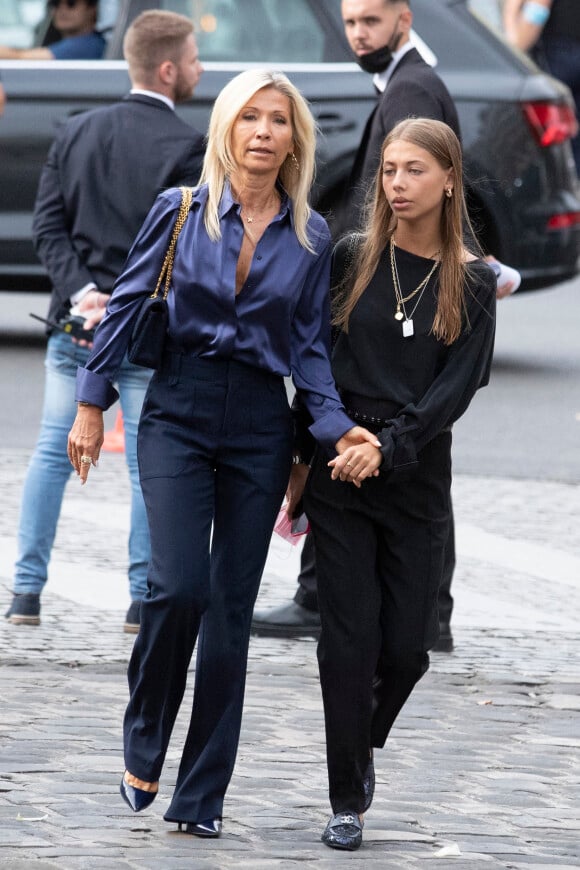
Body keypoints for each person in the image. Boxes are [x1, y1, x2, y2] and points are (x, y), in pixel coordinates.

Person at [66, 68, 379, 838]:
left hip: (258, 425)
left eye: (279, 120)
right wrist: (88, 403)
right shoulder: (180, 213)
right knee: (175, 588)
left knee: (231, 613)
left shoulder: (310, 237)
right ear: (228, 129)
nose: (265, 131)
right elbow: (130, 303)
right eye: (251, 118)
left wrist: (335, 430)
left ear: (294, 139)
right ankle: (145, 739)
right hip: (177, 405)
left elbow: (308, 353)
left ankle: (201, 796)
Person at [252, 0, 519, 649]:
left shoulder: (413, 87)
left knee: (400, 438)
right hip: (382, 275)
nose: (356, 35)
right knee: (401, 446)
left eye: (369, 21)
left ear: (403, 17)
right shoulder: (405, 81)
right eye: (349, 23)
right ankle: (419, 610)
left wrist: (379, 262)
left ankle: (376, 604)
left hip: (390, 278)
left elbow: (406, 184)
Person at [295, 117, 495, 850]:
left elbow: (457, 389)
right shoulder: (351, 257)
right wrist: (313, 448)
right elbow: (313, 357)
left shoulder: (470, 280)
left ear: (448, 179)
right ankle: (346, 795)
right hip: (340, 465)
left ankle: (361, 740)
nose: (398, 184)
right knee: (346, 640)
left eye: (414, 170)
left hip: (412, 473)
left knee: (407, 647)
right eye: (388, 170)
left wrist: (391, 446)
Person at [4, 10, 205, 632]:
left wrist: (85, 291)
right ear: (169, 69)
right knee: (150, 466)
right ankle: (141, 600)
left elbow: (47, 226)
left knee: (50, 452)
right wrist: (122, 300)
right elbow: (176, 246)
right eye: (196, 60)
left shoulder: (76, 131)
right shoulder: (188, 148)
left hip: (76, 323)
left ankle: (26, 593)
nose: (200, 70)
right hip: (145, 329)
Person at [503, 0, 580, 173]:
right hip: (567, 54)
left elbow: (534, 15)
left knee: (557, 143)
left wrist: (510, 14)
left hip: (560, 56)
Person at [0, 0, 106, 61]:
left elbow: (22, 58)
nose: (62, 10)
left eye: (71, 3)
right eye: (55, 4)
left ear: (92, 9)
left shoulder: (88, 45)